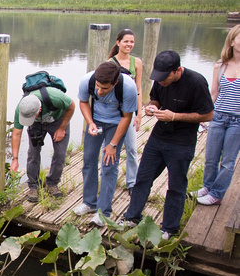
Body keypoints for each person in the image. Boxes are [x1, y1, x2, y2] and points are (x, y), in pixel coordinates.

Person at [120, 50, 214, 238]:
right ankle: (132, 217)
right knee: (143, 179)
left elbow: (208, 114)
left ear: (177, 70)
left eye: (164, 78)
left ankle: (169, 228)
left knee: (176, 186)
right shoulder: (160, 79)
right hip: (158, 138)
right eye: (158, 77)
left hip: (182, 142)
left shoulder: (196, 82)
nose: (160, 81)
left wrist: (175, 116)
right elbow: (156, 97)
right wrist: (152, 106)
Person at [73, 61, 138, 226]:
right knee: (88, 160)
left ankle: (104, 213)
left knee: (109, 164)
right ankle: (89, 203)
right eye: (98, 87)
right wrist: (90, 122)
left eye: (105, 89)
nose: (100, 92)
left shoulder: (128, 87)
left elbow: (127, 117)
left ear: (114, 83)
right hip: (95, 121)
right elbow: (83, 102)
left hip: (117, 124)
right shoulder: (87, 80)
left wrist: (113, 144)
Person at [192, 25, 240, 205]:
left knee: (228, 160)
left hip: (238, 120)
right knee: (211, 157)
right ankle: (208, 186)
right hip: (218, 116)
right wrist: (205, 117)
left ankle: (217, 194)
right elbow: (214, 93)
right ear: (232, 41)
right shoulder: (220, 65)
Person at [11, 85, 75, 203]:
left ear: (39, 110)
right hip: (36, 124)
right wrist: (15, 159)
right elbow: (16, 133)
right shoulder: (21, 108)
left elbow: (72, 106)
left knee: (60, 153)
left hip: (58, 120)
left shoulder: (55, 96)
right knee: (33, 153)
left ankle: (52, 183)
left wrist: (62, 128)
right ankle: (33, 186)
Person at [108, 29, 143, 194]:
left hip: (130, 111)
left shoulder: (137, 62)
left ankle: (132, 182)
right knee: (110, 145)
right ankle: (109, 178)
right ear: (118, 42)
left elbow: (139, 89)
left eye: (132, 42)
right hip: (114, 110)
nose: (129, 45)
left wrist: (139, 112)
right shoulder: (110, 63)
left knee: (132, 148)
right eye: (126, 41)